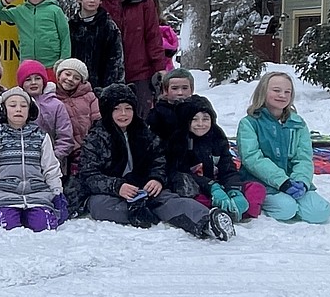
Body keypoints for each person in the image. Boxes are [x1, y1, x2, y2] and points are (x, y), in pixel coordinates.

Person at [76, 84, 234, 240]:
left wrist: (156, 178)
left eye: (128, 108)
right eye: (116, 109)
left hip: (143, 187)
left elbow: (159, 160)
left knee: (169, 200)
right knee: (99, 205)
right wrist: (117, 186)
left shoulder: (144, 132)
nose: (123, 114)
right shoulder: (96, 138)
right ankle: (144, 212)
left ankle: (208, 221)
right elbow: (89, 175)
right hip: (113, 193)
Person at [236, 71, 330, 224]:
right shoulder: (250, 123)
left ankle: (297, 199)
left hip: (293, 181)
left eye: (287, 92)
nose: (282, 95)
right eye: (276, 90)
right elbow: (252, 158)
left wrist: (301, 181)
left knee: (320, 212)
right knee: (286, 209)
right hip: (263, 182)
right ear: (263, 91)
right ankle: (262, 202)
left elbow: (303, 157)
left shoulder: (297, 123)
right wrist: (282, 181)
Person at [0, 87, 67, 232]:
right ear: (3, 110)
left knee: (45, 227)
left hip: (37, 195)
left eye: (23, 106)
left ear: (30, 110)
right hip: (6, 196)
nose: (18, 109)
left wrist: (57, 192)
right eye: (13, 105)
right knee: (6, 228)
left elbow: (50, 167)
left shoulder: (41, 137)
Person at [173, 95, 266, 221]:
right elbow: (181, 173)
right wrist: (212, 187)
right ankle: (219, 212)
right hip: (198, 188)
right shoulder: (179, 141)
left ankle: (234, 209)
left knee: (256, 188)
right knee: (192, 200)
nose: (200, 124)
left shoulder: (217, 137)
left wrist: (234, 190)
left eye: (205, 119)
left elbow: (228, 168)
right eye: (194, 119)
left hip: (221, 185)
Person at [101, 0, 165, 110]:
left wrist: (160, 68)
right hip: (109, 72)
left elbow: (153, 36)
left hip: (140, 72)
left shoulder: (144, 1)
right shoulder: (100, 1)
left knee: (140, 117)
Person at [16, 59, 75, 171]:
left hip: (53, 165)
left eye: (37, 78)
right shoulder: (16, 105)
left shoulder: (57, 105)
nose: (33, 82)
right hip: (22, 165)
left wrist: (53, 159)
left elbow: (65, 138)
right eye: (28, 79)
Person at [68, 0, 124, 93]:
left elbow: (116, 60)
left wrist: (110, 88)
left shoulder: (108, 26)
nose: (92, 0)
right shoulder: (71, 25)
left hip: (101, 85)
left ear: (101, 0)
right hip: (74, 84)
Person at [52, 58, 100, 176]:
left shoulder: (90, 97)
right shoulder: (53, 98)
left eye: (76, 77)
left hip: (89, 146)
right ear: (58, 75)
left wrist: (92, 143)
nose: (70, 79)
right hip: (68, 149)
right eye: (67, 74)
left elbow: (98, 120)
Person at [147, 68, 196, 173]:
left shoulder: (199, 109)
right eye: (174, 88)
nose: (180, 92)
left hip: (196, 163)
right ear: (165, 91)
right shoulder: (157, 114)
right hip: (166, 166)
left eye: (185, 88)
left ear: (191, 90)